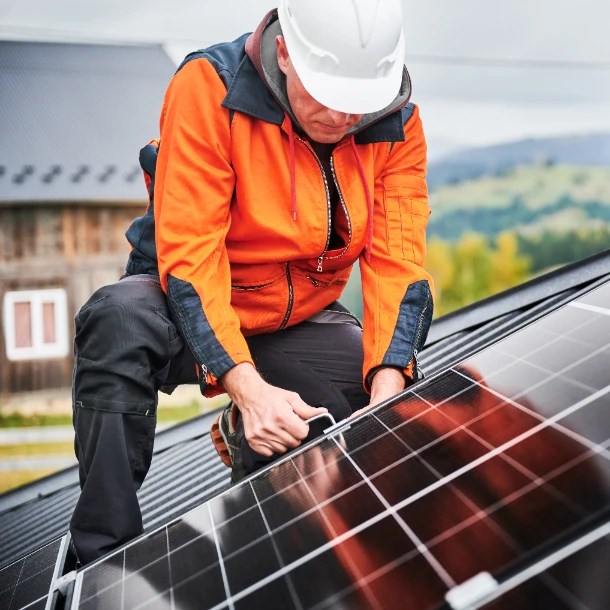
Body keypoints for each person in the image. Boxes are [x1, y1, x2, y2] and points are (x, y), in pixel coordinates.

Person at [69, 0, 434, 565]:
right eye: (326, 97)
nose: (341, 120)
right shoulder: (209, 89)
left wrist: (386, 398)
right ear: (285, 53)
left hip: (293, 315)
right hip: (183, 304)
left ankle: (267, 483)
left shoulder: (396, 123)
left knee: (378, 401)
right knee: (117, 319)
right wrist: (248, 387)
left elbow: (398, 263)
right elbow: (191, 256)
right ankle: (101, 552)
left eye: (355, 105)